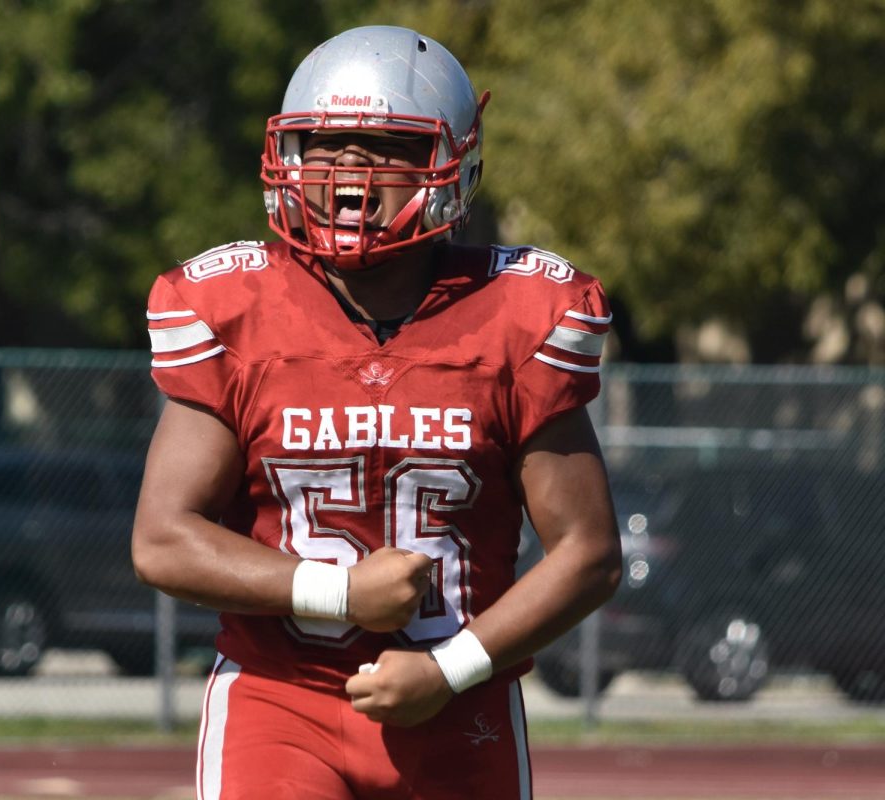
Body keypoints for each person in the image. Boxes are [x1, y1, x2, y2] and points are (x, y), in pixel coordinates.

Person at [132, 24, 622, 800]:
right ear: (286, 157)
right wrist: (339, 594)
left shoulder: (516, 317)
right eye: (326, 145)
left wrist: (446, 668)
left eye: (385, 146)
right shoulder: (237, 310)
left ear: (451, 163)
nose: (349, 171)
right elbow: (163, 540)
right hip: (279, 697)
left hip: (461, 700)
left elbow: (588, 554)